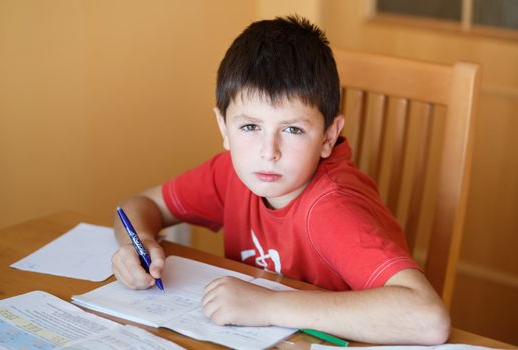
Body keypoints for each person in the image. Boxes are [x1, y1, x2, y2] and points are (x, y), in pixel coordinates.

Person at [111, 15, 450, 345]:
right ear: (223, 128)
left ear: (329, 136)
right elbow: (143, 204)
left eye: (292, 129)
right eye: (249, 127)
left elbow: (428, 319)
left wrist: (267, 306)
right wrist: (136, 241)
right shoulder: (232, 172)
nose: (268, 152)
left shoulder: (332, 209)